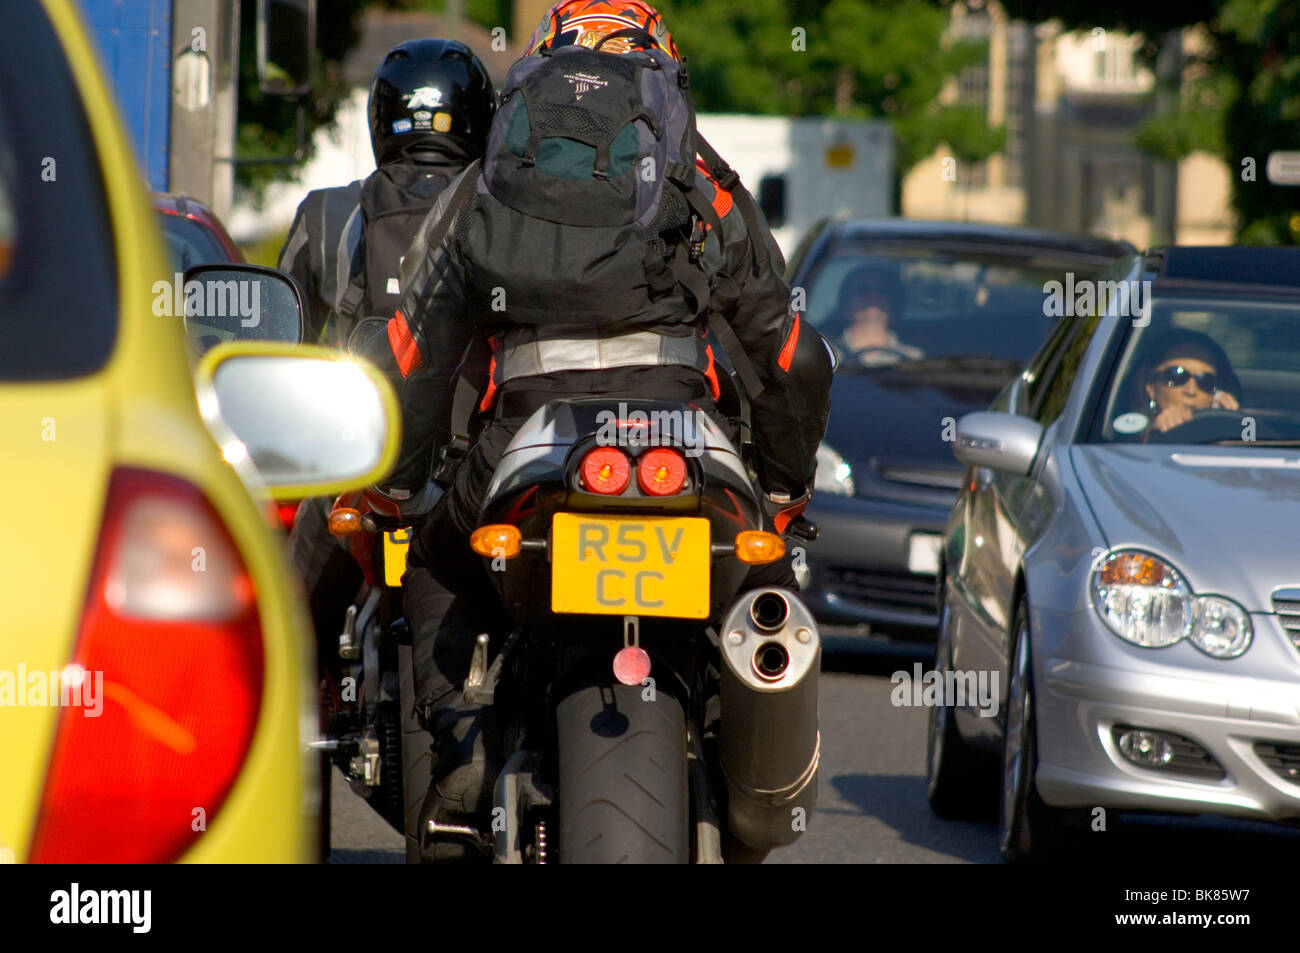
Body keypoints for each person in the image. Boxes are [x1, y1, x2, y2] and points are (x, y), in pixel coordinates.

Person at [365, 0, 834, 861]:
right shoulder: (701, 182)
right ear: (664, 80)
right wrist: (783, 488)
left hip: (526, 441)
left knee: (433, 550)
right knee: (765, 584)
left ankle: (465, 742)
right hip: (686, 443)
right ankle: (746, 761)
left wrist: (392, 485)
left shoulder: (490, 181)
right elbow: (796, 359)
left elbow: (411, 355)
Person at [281, 39, 496, 744]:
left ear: (382, 119)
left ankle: (289, 708)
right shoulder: (506, 212)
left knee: (289, 624)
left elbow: (288, 349)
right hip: (477, 467)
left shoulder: (325, 215)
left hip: (361, 465)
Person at [1137, 329, 1241, 439]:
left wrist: (1229, 428)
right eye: (1176, 376)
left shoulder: (1230, 436)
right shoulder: (1122, 439)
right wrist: (1153, 433)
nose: (1191, 391)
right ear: (1151, 388)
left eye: (1205, 381)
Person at [830, 260, 923, 366]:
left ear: (894, 308)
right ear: (845, 307)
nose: (873, 297)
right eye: (863, 290)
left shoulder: (913, 359)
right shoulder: (825, 357)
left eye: (882, 291)